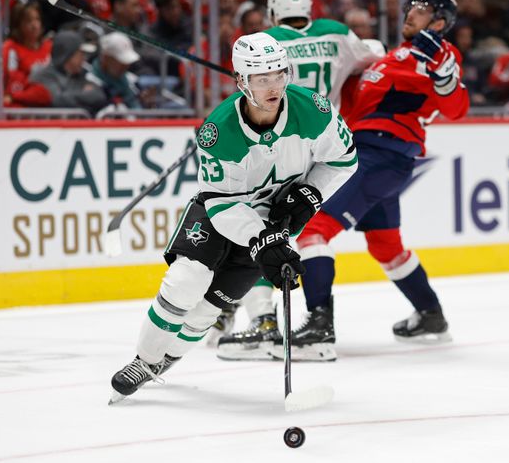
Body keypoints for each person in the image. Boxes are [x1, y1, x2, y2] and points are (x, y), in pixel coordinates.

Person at [108, 31, 358, 403]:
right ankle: (144, 361)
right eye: (262, 78)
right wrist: (262, 241)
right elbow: (222, 204)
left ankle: (167, 360)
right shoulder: (218, 130)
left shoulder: (314, 111)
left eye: (279, 74)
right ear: (242, 81)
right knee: (186, 279)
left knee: (212, 304)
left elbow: (344, 160)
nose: (274, 86)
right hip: (220, 214)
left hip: (274, 219)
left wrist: (311, 193)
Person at [277, 0, 469, 361]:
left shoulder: (435, 52)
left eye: (424, 9)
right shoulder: (388, 57)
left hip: (379, 154)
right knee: (385, 244)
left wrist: (445, 75)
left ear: (441, 22)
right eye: (412, 6)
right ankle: (431, 315)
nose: (411, 13)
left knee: (314, 229)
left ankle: (319, 326)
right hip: (373, 154)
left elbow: (457, 107)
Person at [216, 0, 384, 359]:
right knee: (296, 232)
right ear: (310, 7)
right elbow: (375, 54)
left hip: (280, 144)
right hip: (325, 143)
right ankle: (308, 319)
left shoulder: (267, 41)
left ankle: (263, 322)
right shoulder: (338, 33)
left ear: (273, 11)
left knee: (259, 224)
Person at [30, 30, 106, 115]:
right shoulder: (43, 75)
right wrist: (83, 95)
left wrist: (70, 96)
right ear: (67, 54)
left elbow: (99, 96)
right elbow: (57, 101)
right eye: (80, 53)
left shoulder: (80, 74)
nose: (84, 58)